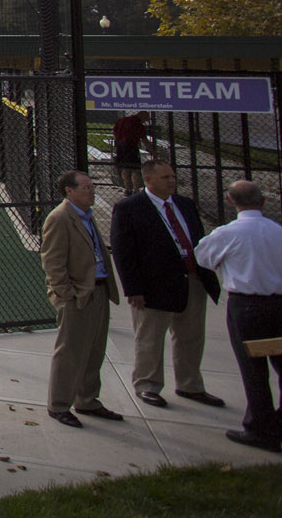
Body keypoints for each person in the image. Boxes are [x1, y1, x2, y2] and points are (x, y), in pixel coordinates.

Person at [193, 179, 282, 452]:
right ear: (262, 201)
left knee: (254, 369)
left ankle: (261, 429)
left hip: (248, 307)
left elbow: (203, 257)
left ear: (230, 201)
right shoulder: (279, 232)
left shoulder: (228, 233)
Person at [109, 158, 222, 409]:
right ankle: (147, 385)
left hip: (192, 281)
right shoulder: (129, 208)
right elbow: (124, 252)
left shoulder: (185, 204)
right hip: (153, 286)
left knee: (191, 337)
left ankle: (190, 385)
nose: (171, 181)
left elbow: (199, 240)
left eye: (172, 176)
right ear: (147, 180)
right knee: (150, 337)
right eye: (165, 177)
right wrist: (133, 289)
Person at [41, 169, 121, 426]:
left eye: (92, 186)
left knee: (95, 350)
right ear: (69, 191)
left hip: (98, 290)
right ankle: (59, 404)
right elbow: (53, 262)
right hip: (78, 295)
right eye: (86, 187)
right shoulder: (60, 218)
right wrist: (67, 295)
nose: (92, 191)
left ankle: (87, 400)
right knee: (71, 352)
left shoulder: (86, 217)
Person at [112, 110, 152, 193]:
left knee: (125, 168)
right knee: (135, 169)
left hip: (120, 146)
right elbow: (144, 139)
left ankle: (127, 188)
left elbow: (114, 132)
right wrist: (152, 151)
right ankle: (136, 189)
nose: (145, 121)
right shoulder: (138, 124)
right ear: (142, 116)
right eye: (146, 119)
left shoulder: (122, 120)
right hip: (131, 147)